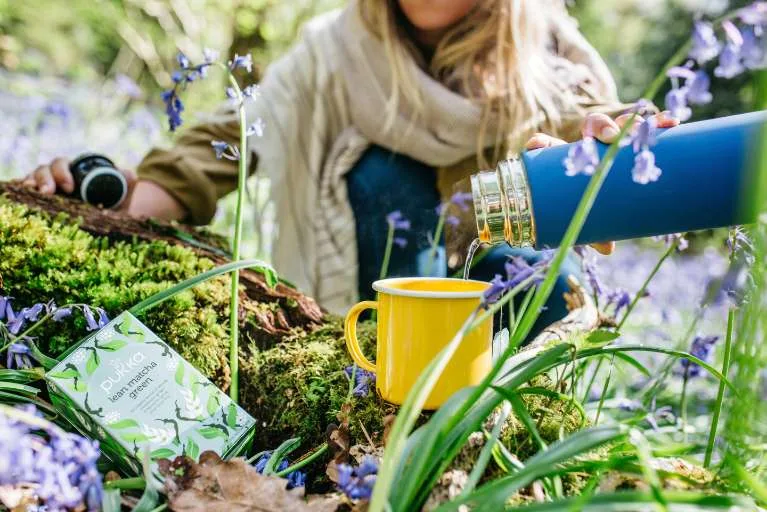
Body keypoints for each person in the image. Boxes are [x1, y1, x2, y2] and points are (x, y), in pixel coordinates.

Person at [21, 0, 677, 335]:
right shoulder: (333, 53)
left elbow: (593, 125)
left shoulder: (543, 40)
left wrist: (604, 150)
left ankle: (512, 438)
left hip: (498, 283)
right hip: (380, 300)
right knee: (377, 175)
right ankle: (382, 402)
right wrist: (95, 207)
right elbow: (233, 138)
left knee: (538, 270)